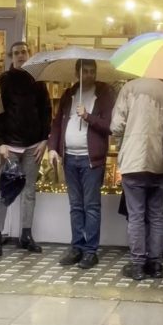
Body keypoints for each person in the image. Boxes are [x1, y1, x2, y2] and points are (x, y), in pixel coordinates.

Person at [48, 59, 115, 269]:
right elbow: (58, 123)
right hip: (70, 157)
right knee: (76, 206)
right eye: (84, 71)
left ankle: (90, 252)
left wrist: (88, 116)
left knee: (91, 206)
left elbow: (109, 126)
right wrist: (53, 148)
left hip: (91, 159)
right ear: (76, 73)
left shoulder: (104, 94)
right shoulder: (69, 94)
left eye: (91, 71)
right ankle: (76, 247)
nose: (88, 75)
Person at [0, 41, 51, 256]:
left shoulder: (37, 80)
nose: (21, 55)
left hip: (33, 146)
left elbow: (46, 110)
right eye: (16, 53)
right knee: (5, 192)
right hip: (9, 148)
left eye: (24, 52)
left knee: (29, 192)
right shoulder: (2, 81)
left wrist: (44, 139)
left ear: (29, 54)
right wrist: (0, 144)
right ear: (11, 57)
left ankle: (26, 235)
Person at [110, 77, 163, 281]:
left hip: (133, 160)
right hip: (159, 161)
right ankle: (155, 264)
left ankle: (138, 265)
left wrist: (124, 139)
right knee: (157, 215)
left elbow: (116, 126)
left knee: (136, 215)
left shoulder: (129, 89)